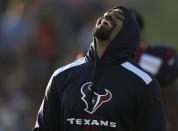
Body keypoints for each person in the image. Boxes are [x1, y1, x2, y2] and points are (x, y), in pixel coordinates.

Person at [33, 6, 167, 131]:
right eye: (106, 14)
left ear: (128, 34)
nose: (108, 15)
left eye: (119, 17)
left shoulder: (144, 83)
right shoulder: (61, 76)